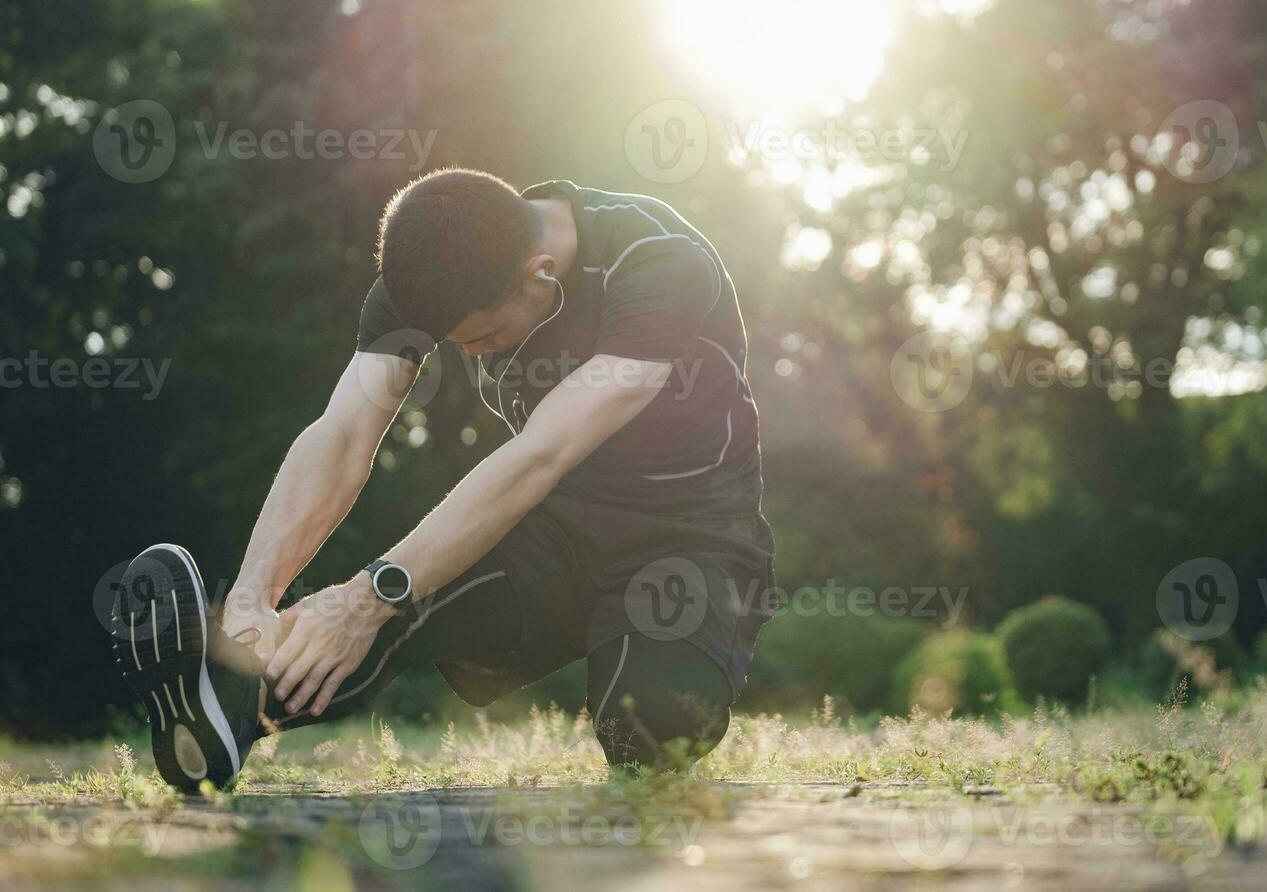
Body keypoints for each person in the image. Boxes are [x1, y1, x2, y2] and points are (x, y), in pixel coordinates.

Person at [110, 170, 775, 792]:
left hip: (691, 536)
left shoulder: (656, 263)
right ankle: (225, 710)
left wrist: (373, 589)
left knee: (647, 729)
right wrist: (255, 593)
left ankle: (656, 717)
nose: (472, 353)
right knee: (387, 615)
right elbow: (342, 436)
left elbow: (546, 450)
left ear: (539, 273)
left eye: (483, 336)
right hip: (554, 530)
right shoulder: (427, 275)